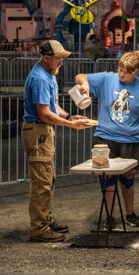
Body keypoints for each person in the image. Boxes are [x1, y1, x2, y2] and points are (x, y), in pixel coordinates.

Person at [23, 40, 93, 243]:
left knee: (48, 179)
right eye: (58, 59)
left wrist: (70, 116)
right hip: (38, 130)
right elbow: (44, 113)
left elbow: (52, 106)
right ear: (46, 58)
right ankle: (39, 228)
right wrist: (70, 125)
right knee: (42, 183)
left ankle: (45, 220)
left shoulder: (47, 75)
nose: (61, 63)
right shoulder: (40, 79)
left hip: (42, 130)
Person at [75, 51, 139, 230]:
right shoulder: (107, 79)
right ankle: (109, 216)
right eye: (119, 69)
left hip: (131, 140)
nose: (121, 74)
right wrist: (85, 84)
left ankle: (130, 213)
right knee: (107, 176)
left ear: (135, 72)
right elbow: (80, 76)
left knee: (128, 177)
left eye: (125, 72)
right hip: (105, 137)